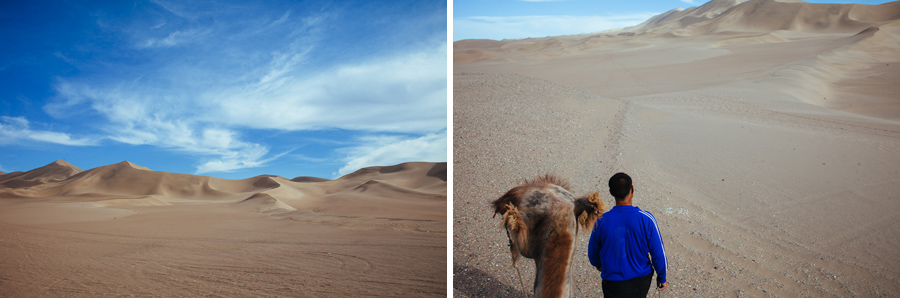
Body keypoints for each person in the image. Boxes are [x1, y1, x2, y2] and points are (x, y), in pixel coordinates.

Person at [588, 172, 668, 297]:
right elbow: (658, 253)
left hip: (612, 280)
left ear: (611, 192)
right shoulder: (646, 219)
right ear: (632, 189)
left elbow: (592, 253)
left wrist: (599, 265)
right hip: (641, 280)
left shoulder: (601, 221)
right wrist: (662, 277)